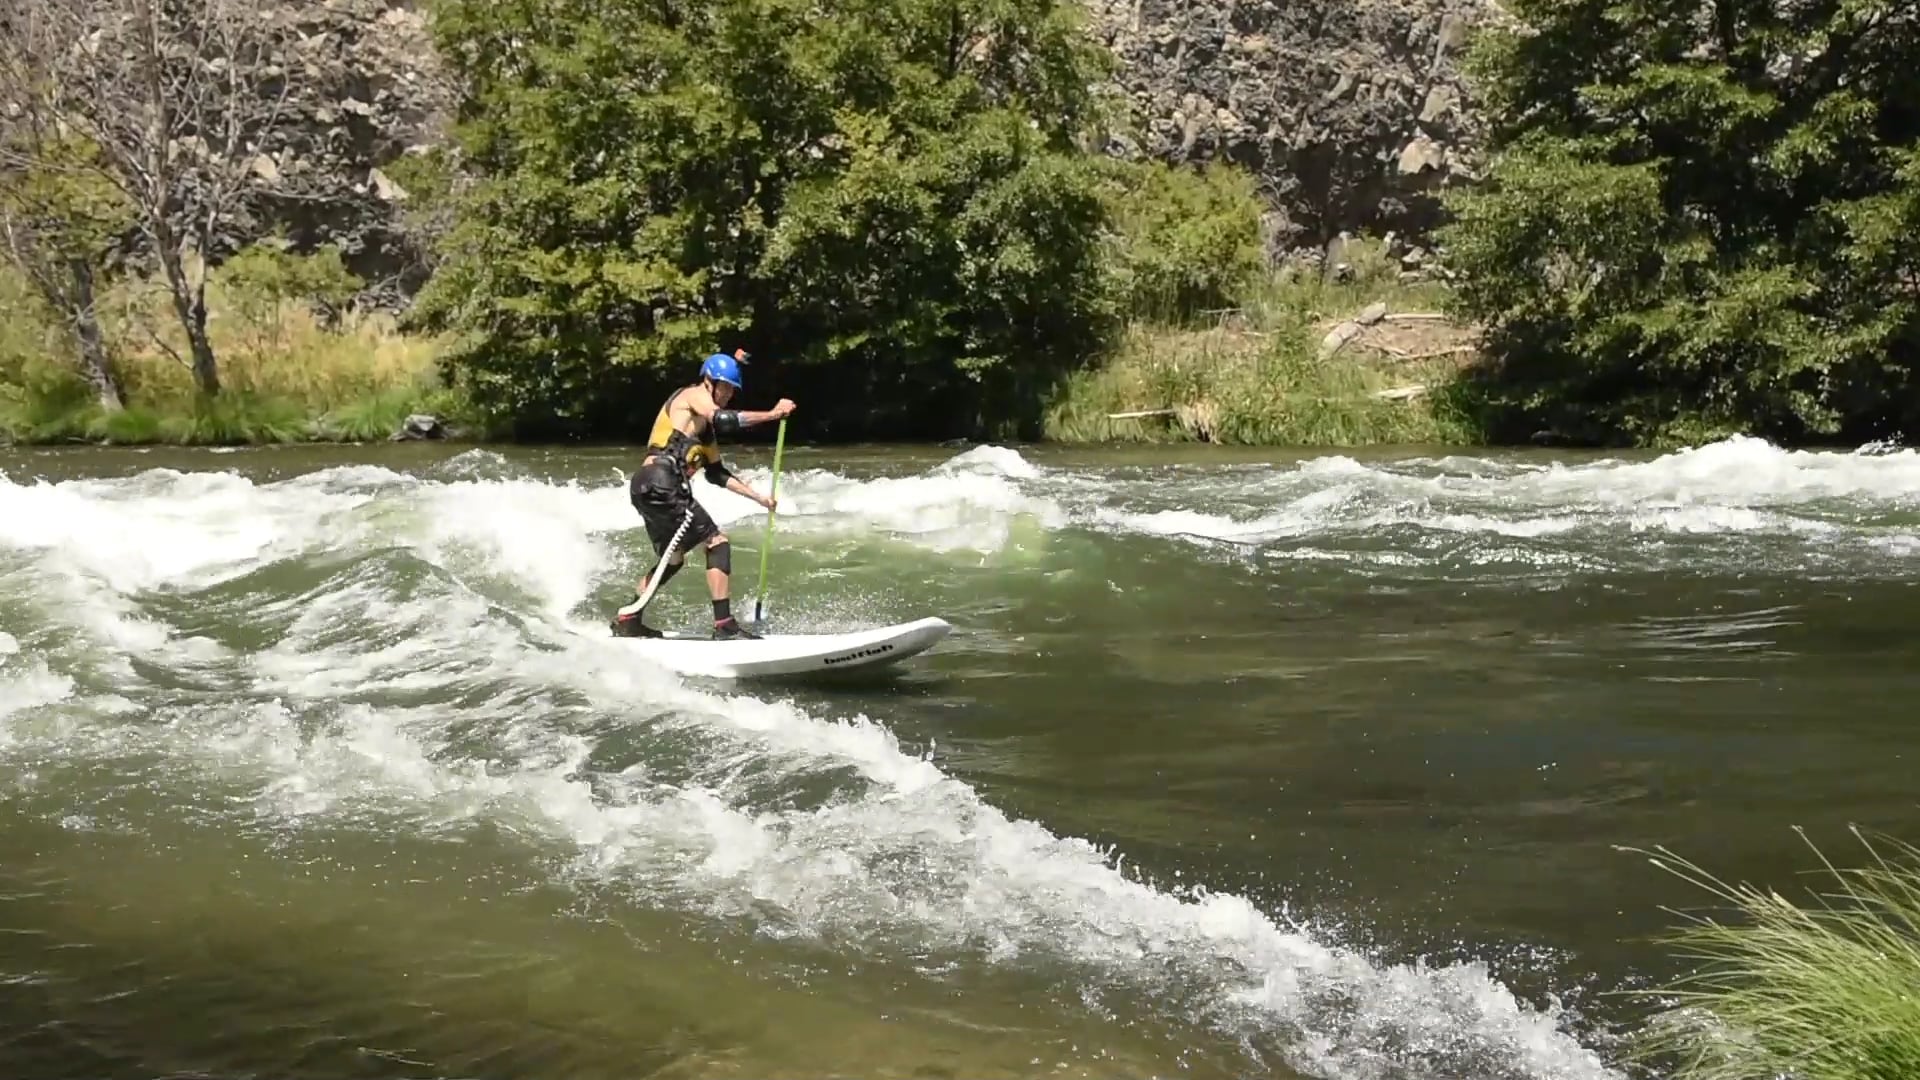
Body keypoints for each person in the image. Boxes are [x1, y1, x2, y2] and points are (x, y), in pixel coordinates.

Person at [610, 350, 795, 640]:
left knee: (673, 559)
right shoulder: (692, 395)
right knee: (717, 542)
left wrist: (759, 498)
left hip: (647, 486)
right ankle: (725, 626)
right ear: (709, 381)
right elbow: (722, 418)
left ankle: (629, 618)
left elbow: (717, 473)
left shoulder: (705, 433)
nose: (729, 395)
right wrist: (772, 414)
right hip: (660, 480)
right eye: (726, 387)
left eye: (733, 390)